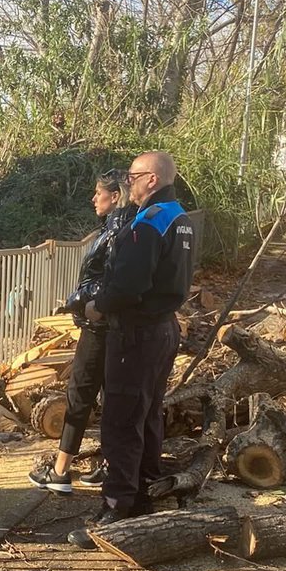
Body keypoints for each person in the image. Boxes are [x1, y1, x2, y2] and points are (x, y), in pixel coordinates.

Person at [68, 151, 195, 541]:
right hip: (163, 329)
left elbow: (128, 285)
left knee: (121, 419)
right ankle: (144, 488)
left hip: (135, 334)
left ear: (152, 180)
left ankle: (117, 505)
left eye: (134, 176)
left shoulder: (149, 224)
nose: (129, 183)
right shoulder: (181, 218)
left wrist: (97, 306)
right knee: (147, 412)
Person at [28, 170, 134, 493]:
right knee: (110, 394)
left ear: (114, 196)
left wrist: (78, 300)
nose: (93, 199)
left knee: (80, 393)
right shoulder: (126, 225)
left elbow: (110, 281)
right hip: (111, 325)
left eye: (98, 193)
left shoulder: (118, 230)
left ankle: (60, 472)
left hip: (99, 325)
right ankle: (110, 463)